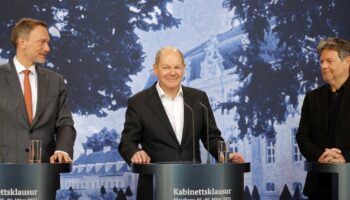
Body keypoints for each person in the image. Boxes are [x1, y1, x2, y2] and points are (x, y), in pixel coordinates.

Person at [118, 46, 245, 200]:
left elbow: (211, 137)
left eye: (177, 67)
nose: (172, 72)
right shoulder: (139, 102)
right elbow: (127, 142)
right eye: (166, 67)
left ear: (184, 69)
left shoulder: (199, 99)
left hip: (192, 188)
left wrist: (226, 155)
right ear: (156, 69)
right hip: (155, 188)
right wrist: (135, 153)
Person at [0, 18, 76, 163]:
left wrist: (62, 150)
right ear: (22, 42)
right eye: (42, 42)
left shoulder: (56, 80)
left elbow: (65, 122)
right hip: (4, 173)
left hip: (44, 173)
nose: (47, 48)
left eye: (47, 42)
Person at [296, 37, 350, 200]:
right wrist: (320, 155)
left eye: (329, 61)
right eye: (321, 62)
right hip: (319, 187)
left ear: (347, 61)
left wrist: (344, 157)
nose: (324, 66)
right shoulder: (312, 98)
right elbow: (303, 137)